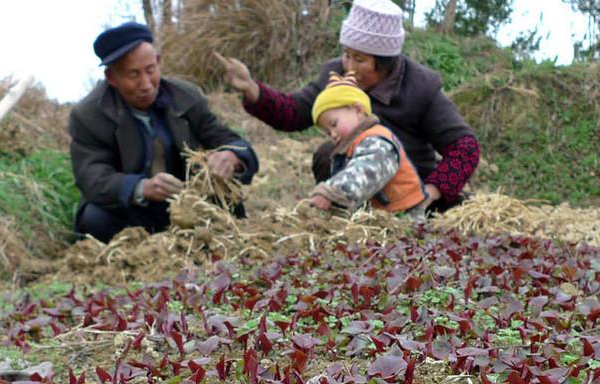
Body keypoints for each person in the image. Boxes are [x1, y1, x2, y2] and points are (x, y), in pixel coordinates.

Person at [218, 0, 478, 213]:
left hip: (410, 193)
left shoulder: (420, 87)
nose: (349, 66)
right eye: (346, 54)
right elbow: (294, 111)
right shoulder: (335, 75)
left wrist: (430, 193)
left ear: (385, 63)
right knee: (326, 154)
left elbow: (464, 148)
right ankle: (340, 214)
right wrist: (252, 89)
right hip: (355, 191)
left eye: (360, 59)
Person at [70, 22, 259, 242]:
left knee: (229, 201)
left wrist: (231, 156)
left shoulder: (186, 96)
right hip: (133, 211)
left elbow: (232, 141)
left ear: (158, 62)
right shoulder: (89, 115)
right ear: (112, 78)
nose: (146, 84)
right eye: (133, 75)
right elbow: (91, 176)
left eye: (150, 70)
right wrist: (141, 188)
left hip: (191, 204)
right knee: (95, 220)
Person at [309, 73, 426, 218]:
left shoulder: (378, 140)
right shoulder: (352, 145)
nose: (332, 134)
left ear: (358, 110)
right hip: (379, 218)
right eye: (327, 132)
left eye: (334, 124)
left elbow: (365, 171)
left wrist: (331, 192)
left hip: (404, 216)